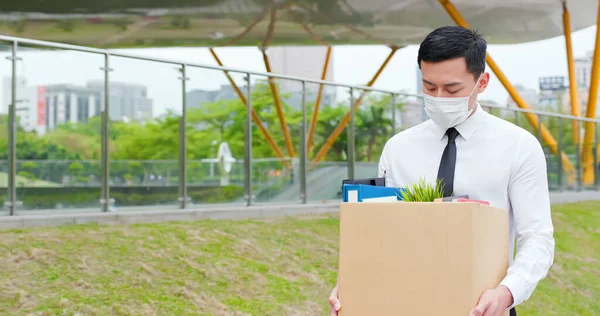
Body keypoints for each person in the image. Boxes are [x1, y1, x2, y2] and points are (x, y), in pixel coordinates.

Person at [328, 25, 555, 316]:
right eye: (429, 87)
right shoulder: (398, 149)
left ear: (482, 82)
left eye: (452, 89)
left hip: (485, 308)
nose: (439, 97)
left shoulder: (519, 147)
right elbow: (381, 233)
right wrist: (352, 286)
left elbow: (537, 237)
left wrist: (506, 292)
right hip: (405, 304)